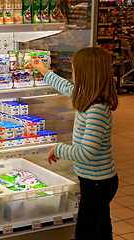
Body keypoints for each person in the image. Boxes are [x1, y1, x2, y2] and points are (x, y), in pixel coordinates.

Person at [32, 47, 119, 240]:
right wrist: (45, 71)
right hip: (95, 180)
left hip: (99, 182)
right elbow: (68, 88)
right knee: (102, 228)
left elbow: (87, 152)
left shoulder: (97, 110)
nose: (72, 75)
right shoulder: (87, 99)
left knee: (85, 233)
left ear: (85, 75)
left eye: (74, 71)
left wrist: (59, 148)